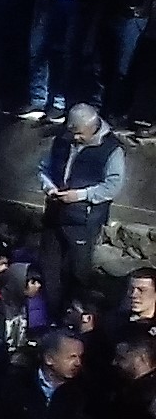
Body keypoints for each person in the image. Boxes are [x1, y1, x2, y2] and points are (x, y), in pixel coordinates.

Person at [38, 104, 128, 297]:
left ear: (93, 126)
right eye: (72, 133)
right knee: (48, 271)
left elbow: (113, 186)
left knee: (77, 274)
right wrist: (49, 187)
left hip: (83, 222)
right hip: (54, 216)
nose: (75, 138)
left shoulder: (112, 149)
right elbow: (44, 167)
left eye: (79, 134)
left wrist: (80, 195)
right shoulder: (62, 140)